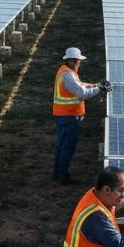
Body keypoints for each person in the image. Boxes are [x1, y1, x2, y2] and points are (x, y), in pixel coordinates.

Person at [52, 47, 108, 184]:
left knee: (62, 145)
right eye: (79, 61)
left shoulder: (65, 71)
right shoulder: (68, 76)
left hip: (64, 115)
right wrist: (99, 89)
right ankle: (62, 176)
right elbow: (82, 93)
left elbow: (80, 85)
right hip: (69, 116)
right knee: (67, 147)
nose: (80, 63)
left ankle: (57, 172)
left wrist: (94, 85)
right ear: (73, 61)